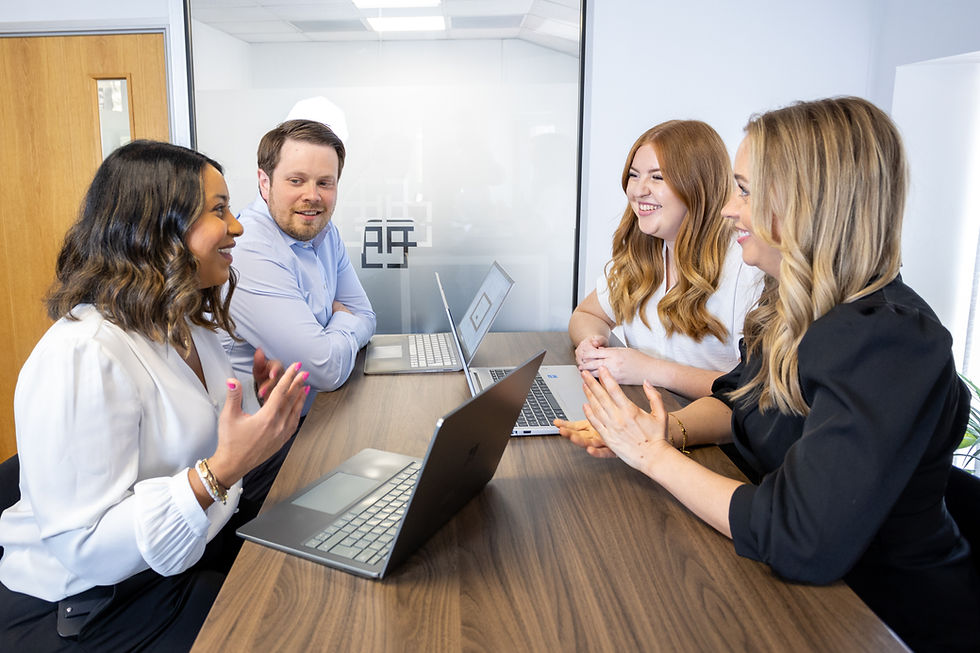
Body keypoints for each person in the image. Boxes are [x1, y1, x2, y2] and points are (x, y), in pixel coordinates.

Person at [559, 97, 980, 652]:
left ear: (810, 204)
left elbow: (800, 536)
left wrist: (653, 458)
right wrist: (667, 432)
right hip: (806, 595)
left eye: (746, 191)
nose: (730, 209)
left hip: (880, 619)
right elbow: (738, 402)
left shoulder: (890, 341)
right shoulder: (791, 307)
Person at [0, 140, 309, 650]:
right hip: (90, 606)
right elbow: (89, 547)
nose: (237, 226)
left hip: (178, 558)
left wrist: (261, 411)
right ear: (158, 228)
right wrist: (219, 474)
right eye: (217, 210)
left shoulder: (186, 323)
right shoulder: (83, 353)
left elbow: (207, 443)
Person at [569, 120, 762, 399]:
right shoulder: (645, 255)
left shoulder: (746, 268)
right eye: (634, 175)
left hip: (713, 439)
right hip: (648, 420)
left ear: (698, 186)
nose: (638, 190)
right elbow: (586, 314)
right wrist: (591, 342)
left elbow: (753, 390)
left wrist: (651, 369)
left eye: (657, 177)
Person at [220, 118, 376, 417]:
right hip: (257, 446)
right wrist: (343, 321)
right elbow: (323, 370)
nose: (313, 196)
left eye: (324, 182)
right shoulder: (249, 248)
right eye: (296, 181)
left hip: (312, 417)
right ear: (264, 183)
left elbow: (366, 315)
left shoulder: (324, 231)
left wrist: (334, 336)